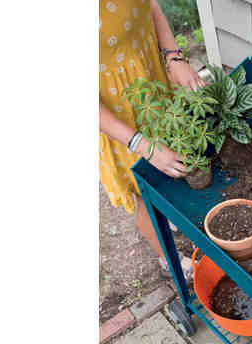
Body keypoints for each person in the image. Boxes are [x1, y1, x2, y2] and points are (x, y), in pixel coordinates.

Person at [99, 0, 204, 277]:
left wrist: (174, 56)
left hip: (150, 80)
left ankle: (171, 213)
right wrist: (143, 145)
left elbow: (149, 5)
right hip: (117, 117)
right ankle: (169, 261)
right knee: (145, 193)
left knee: (173, 164)